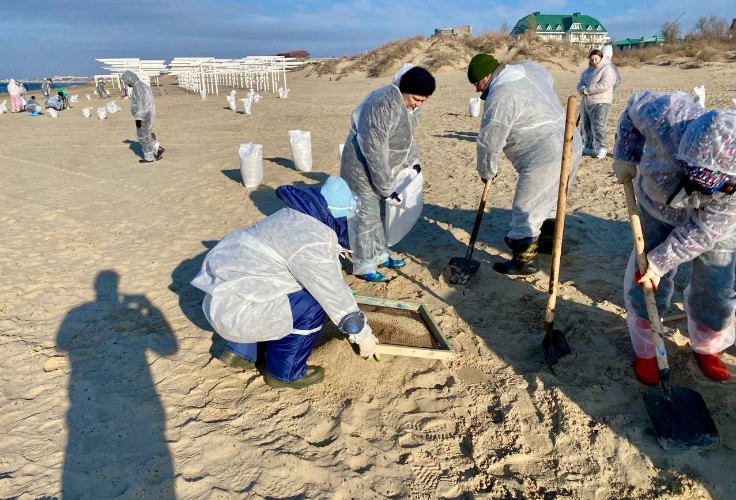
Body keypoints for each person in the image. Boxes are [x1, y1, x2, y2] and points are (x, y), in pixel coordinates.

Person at [191, 176, 380, 389]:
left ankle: (240, 352)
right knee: (313, 302)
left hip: (225, 301)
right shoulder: (311, 239)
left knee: (282, 286)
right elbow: (331, 292)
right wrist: (361, 334)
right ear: (338, 215)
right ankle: (285, 373)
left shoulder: (293, 217)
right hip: (238, 314)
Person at [612, 91, 736, 384]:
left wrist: (661, 262)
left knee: (716, 286)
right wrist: (626, 154)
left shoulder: (732, 183)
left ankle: (708, 346)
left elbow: (704, 231)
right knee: (645, 281)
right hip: (656, 209)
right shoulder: (666, 113)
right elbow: (632, 109)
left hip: (715, 227)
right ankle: (647, 348)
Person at [467, 53, 583, 275]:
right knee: (551, 197)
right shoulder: (529, 67)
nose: (477, 90)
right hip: (571, 139)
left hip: (545, 152)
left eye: (477, 83)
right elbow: (548, 77)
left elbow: (489, 143)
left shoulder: (501, 96)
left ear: (488, 75)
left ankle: (523, 261)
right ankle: (548, 244)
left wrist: (486, 171)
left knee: (526, 206)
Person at [340, 65, 435, 282]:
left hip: (385, 168)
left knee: (383, 213)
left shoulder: (409, 108)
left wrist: (413, 162)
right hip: (360, 168)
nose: (418, 104)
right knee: (366, 215)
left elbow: (407, 138)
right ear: (404, 89)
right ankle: (364, 265)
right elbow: (373, 148)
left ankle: (381, 255)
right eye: (416, 99)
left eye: (423, 101)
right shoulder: (383, 103)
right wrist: (385, 187)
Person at [577, 49, 617, 159]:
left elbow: (605, 84)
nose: (594, 61)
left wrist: (588, 90)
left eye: (596, 59)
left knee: (599, 126)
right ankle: (588, 147)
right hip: (587, 101)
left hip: (601, 102)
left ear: (601, 58)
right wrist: (581, 89)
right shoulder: (587, 71)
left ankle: (602, 148)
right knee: (586, 126)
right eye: (592, 59)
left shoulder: (607, 69)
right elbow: (581, 82)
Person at [120, 70, 164, 163]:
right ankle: (155, 149)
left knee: (142, 135)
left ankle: (150, 155)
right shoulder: (140, 85)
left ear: (129, 79)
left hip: (143, 116)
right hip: (146, 114)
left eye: (125, 81)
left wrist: (139, 118)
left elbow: (142, 104)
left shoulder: (139, 87)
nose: (126, 83)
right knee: (144, 134)